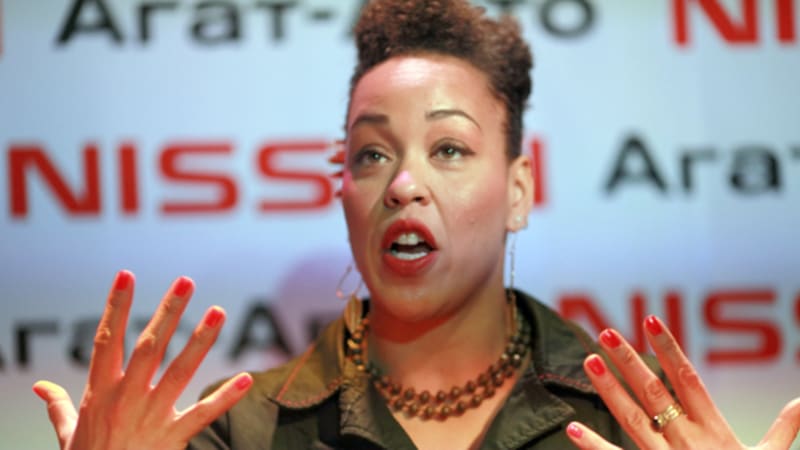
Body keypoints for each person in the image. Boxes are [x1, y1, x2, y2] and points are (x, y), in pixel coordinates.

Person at [32, 1, 800, 449]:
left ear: (519, 192)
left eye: (449, 149)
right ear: (342, 192)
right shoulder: (243, 431)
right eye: (371, 154)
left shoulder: (631, 424)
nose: (403, 184)